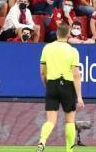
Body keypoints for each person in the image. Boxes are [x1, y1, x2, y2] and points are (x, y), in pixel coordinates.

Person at [36, 23, 84, 152]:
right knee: (69, 121)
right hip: (67, 86)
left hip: (52, 84)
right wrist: (79, 97)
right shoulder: (73, 50)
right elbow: (76, 75)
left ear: (57, 33)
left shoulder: (47, 48)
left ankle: (42, 140)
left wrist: (47, 85)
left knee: (50, 120)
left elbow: (42, 71)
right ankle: (69, 150)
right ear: (68, 34)